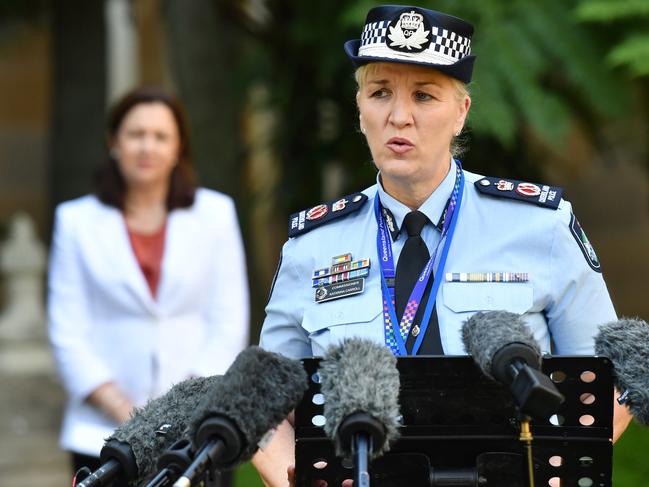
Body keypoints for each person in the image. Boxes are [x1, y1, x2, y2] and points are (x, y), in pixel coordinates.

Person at [253, 5, 633, 486]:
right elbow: (263, 405)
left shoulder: (540, 227)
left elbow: (609, 384)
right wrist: (297, 480)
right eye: (380, 93)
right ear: (359, 108)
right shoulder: (314, 244)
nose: (399, 116)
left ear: (461, 112)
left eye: (424, 95)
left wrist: (548, 471)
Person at [47, 86, 249, 484]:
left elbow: (228, 321)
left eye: (160, 136)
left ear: (179, 148)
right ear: (114, 142)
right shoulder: (75, 222)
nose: (147, 146)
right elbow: (67, 331)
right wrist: (130, 415)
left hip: (197, 434)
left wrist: (177, 415)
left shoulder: (216, 214)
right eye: (135, 134)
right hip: (103, 434)